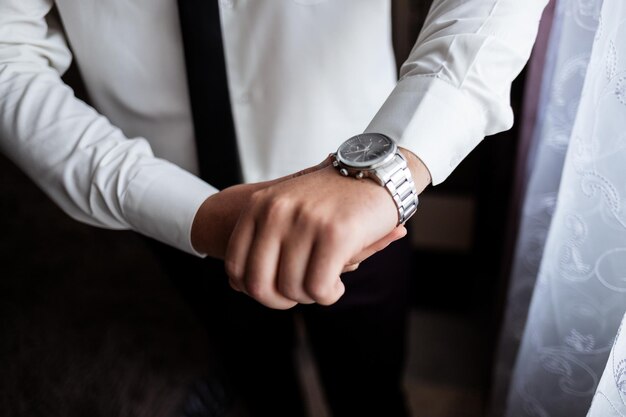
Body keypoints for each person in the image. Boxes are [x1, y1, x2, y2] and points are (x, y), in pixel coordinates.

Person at [0, 0, 549, 415]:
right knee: (254, 378)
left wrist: (390, 168)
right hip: (166, 200)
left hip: (363, 199)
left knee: (371, 382)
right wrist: (181, 209)